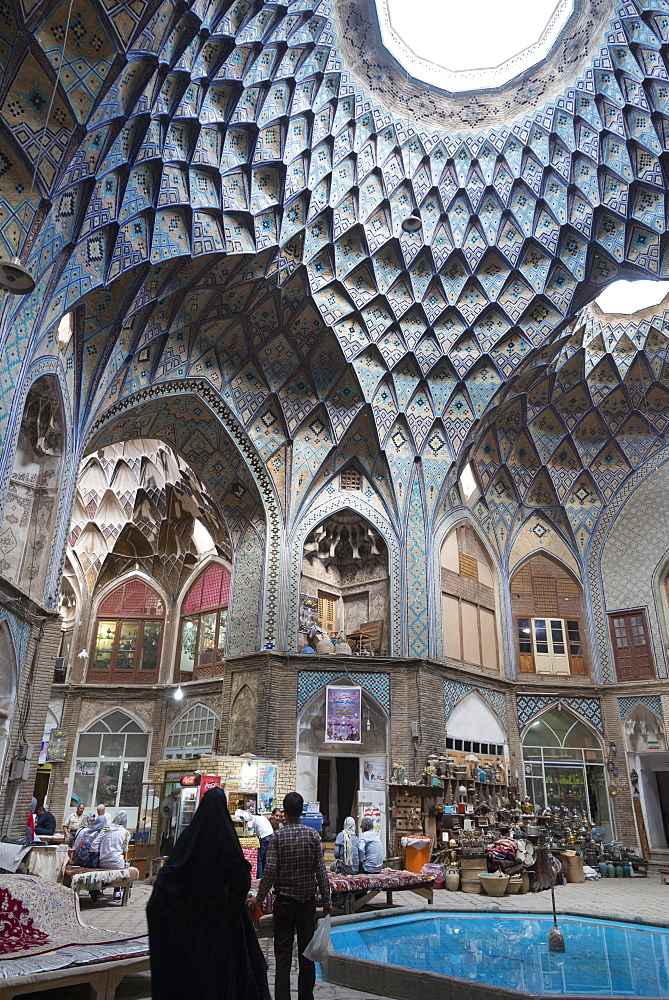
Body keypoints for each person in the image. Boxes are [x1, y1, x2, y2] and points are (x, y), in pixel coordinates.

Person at [147, 787, 270, 1000]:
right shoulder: (227, 841)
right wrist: (230, 910)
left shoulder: (189, 841)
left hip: (189, 936)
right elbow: (241, 877)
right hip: (221, 935)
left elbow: (165, 886)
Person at [250, 792, 331, 1000]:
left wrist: (259, 898)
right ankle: (306, 997)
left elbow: (270, 872)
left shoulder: (278, 837)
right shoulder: (312, 835)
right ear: (302, 811)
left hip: (284, 904)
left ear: (284, 813)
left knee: (283, 957)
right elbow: (321, 871)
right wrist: (327, 900)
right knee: (307, 955)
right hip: (306, 905)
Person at [237, 810, 274, 878]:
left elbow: (247, 833)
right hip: (270, 835)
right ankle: (265, 876)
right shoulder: (258, 817)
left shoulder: (251, 819)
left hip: (264, 837)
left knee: (259, 859)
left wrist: (244, 827)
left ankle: (259, 877)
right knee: (264, 858)